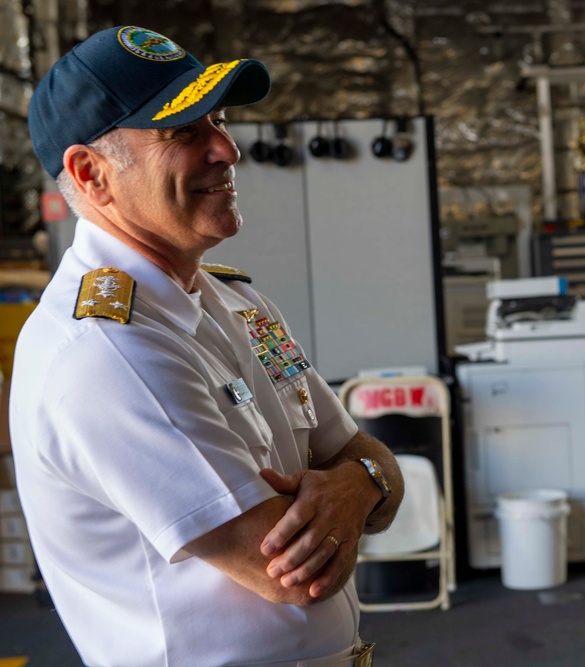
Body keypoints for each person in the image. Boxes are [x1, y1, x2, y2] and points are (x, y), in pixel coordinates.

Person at [10, 25, 403, 667]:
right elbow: (292, 574)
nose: (227, 149)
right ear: (92, 173)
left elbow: (364, 454)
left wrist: (357, 482)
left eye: (217, 120)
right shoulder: (106, 351)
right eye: (183, 131)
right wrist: (361, 485)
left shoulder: (240, 305)